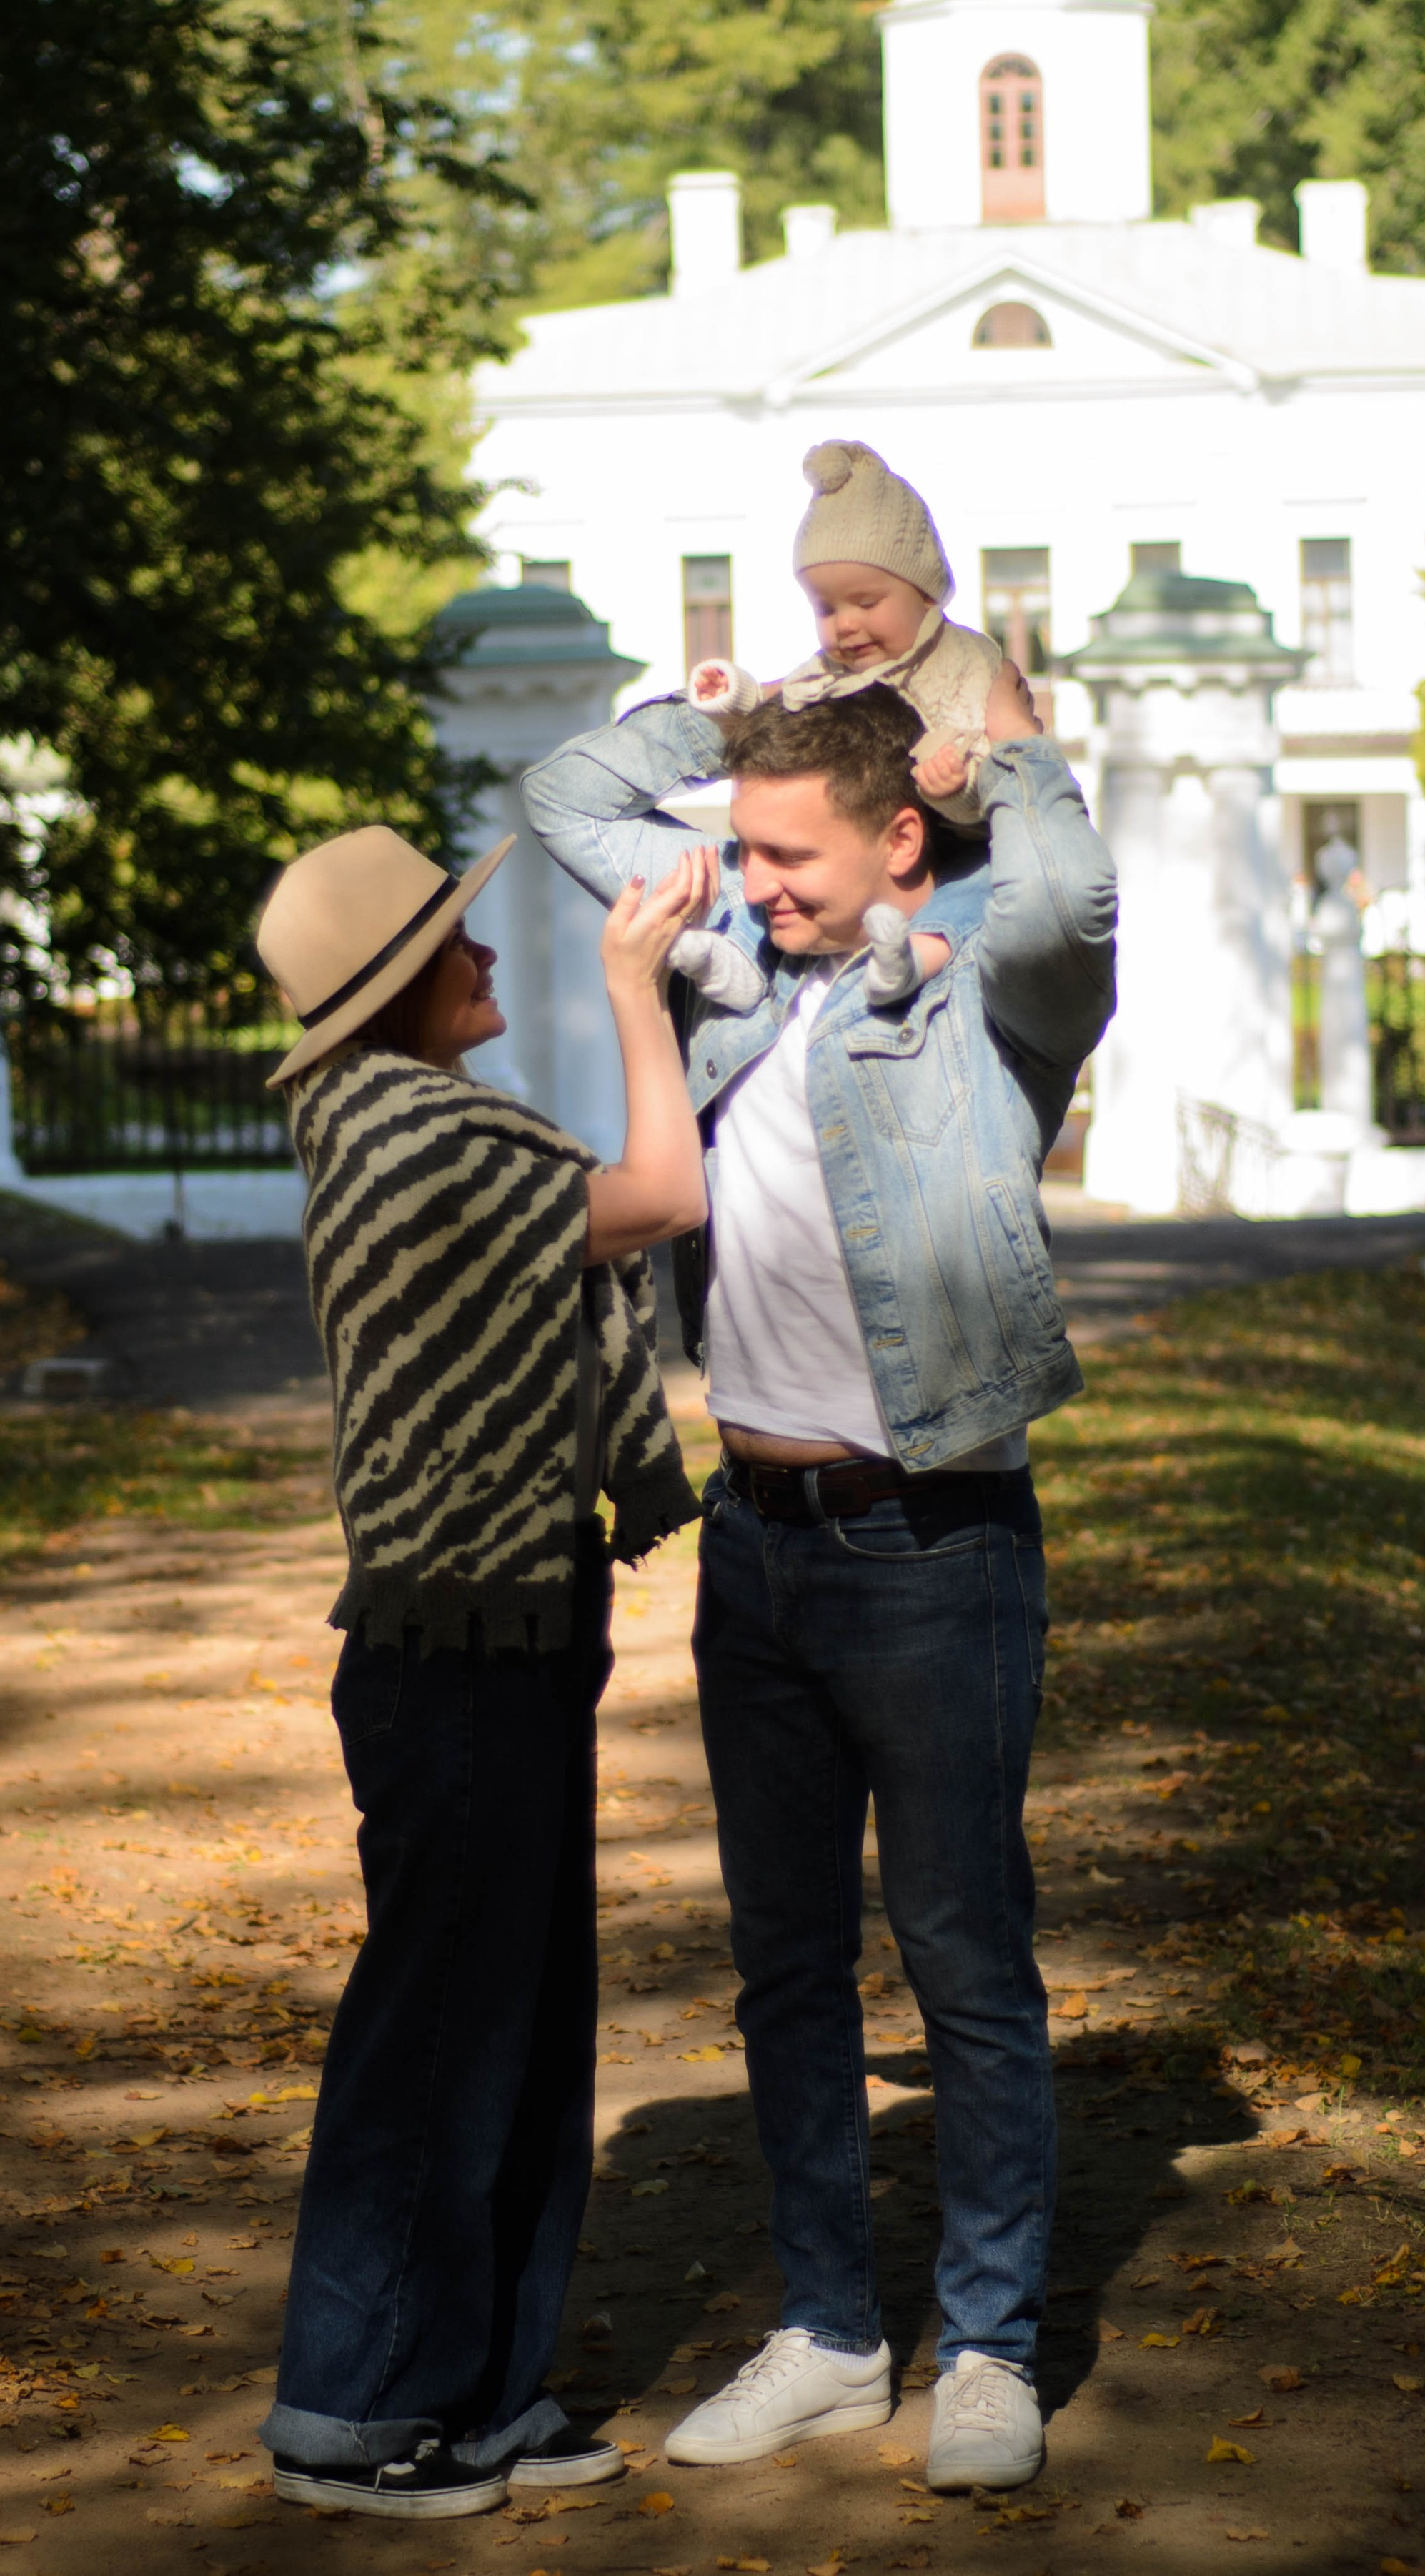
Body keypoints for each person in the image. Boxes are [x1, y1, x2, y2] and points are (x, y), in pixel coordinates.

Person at [521, 667, 1116, 2494]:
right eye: (742, 847)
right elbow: (563, 794)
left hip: (932, 1541)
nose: (747, 875)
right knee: (785, 1963)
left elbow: (1074, 896)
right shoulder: (734, 980)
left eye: (790, 851)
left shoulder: (984, 999)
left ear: (900, 842)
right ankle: (830, 2333)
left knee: (961, 1960)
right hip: (756, 1546)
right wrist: (729, 736)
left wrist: (995, 753)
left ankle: (993, 2348)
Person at [250, 822, 710, 2521]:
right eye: (461, 944)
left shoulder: (399, 1122)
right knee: (440, 2023)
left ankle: (483, 2389)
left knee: (514, 2015)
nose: (490, 960)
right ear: (398, 994)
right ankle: (354, 2409)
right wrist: (632, 991)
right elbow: (664, 1195)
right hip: (451, 1645)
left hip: (505, 1617)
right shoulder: (410, 1135)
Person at [667, 439, 1020, 1016]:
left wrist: (956, 787)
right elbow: (789, 699)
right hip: (879, 826)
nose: (845, 626)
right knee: (762, 879)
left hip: (962, 835)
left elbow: (1005, 781)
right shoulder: (836, 668)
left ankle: (916, 959)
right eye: (825, 608)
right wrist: (733, 695)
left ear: (926, 592)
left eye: (866, 601)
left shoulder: (964, 663)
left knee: (976, 890)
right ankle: (738, 963)